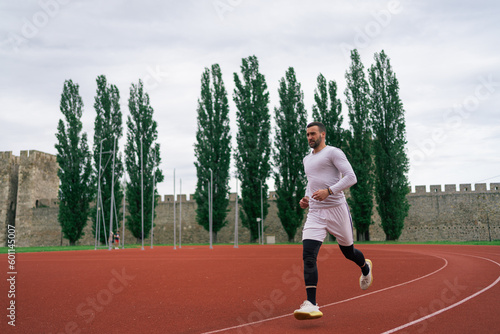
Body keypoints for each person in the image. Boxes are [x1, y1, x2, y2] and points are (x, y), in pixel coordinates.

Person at [293, 121, 373, 320]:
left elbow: (351, 177)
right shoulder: (306, 159)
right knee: (308, 255)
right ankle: (311, 303)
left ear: (323, 134)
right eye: (307, 135)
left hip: (337, 210)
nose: (310, 138)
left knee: (348, 252)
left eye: (313, 134)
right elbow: (311, 184)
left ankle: (366, 268)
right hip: (316, 212)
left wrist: (329, 191)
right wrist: (306, 198)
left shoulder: (333, 153)